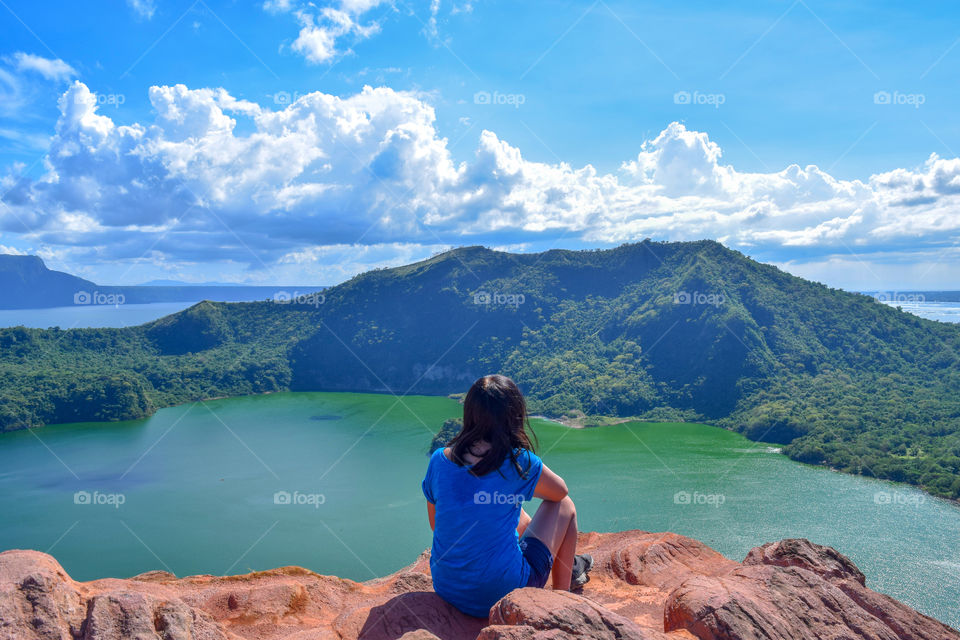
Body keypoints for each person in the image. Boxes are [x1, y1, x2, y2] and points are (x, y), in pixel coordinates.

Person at [421, 374, 593, 618]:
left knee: (508, 505)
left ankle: (571, 565)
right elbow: (560, 492)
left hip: (448, 588)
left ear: (469, 413)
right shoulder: (518, 462)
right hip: (501, 594)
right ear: (514, 416)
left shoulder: (439, 460)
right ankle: (561, 600)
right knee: (565, 505)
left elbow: (436, 525)